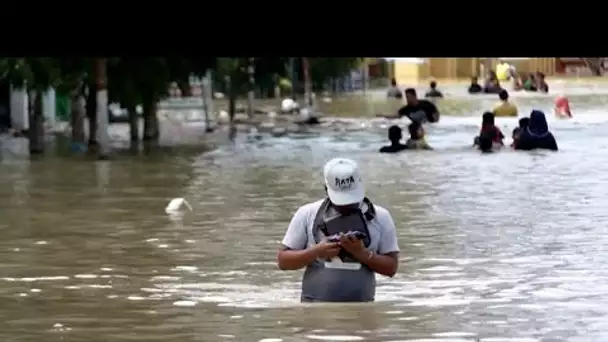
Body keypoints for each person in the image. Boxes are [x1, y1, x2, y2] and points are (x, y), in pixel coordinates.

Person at [277, 158, 400, 302]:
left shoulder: (380, 217)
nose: (347, 205)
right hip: (314, 308)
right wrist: (316, 251)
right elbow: (283, 261)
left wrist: (362, 254)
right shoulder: (307, 213)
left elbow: (391, 268)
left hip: (362, 310)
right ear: (326, 189)